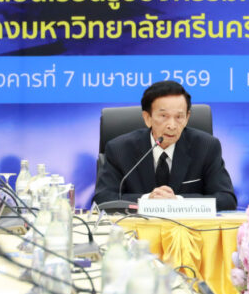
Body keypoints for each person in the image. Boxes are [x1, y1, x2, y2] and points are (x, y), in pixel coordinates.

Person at [93, 80, 237, 211]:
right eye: (163, 116)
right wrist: (147, 200)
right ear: (147, 118)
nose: (172, 126)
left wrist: (177, 201)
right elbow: (102, 199)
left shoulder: (206, 147)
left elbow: (226, 199)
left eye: (179, 117)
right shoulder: (119, 149)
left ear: (187, 117)